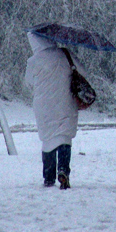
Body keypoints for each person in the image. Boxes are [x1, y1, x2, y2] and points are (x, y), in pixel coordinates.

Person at [25, 32, 86, 190]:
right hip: (66, 102)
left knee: (48, 139)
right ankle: (63, 170)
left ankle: (48, 176)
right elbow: (82, 73)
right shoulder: (65, 54)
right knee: (64, 137)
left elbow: (28, 82)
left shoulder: (33, 61)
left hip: (43, 105)